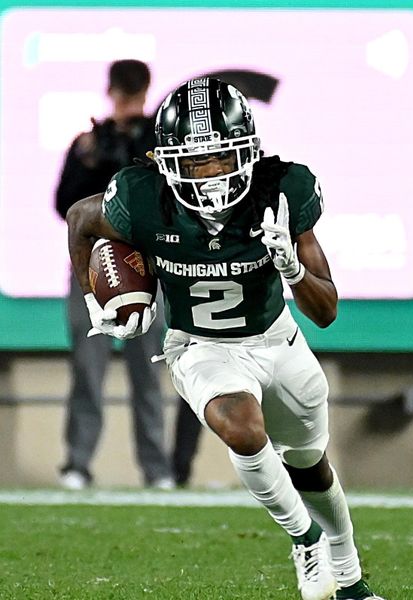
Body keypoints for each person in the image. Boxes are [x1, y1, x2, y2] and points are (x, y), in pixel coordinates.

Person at [65, 77, 383, 600]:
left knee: (309, 463)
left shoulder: (281, 191)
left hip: (277, 340)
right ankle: (305, 540)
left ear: (248, 152)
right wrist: (96, 297)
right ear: (168, 164)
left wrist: (294, 272)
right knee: (241, 427)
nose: (209, 175)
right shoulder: (143, 198)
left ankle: (349, 575)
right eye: (194, 163)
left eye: (219, 158)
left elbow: (325, 313)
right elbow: (80, 218)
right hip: (200, 345)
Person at [55, 59, 174, 491]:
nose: (128, 105)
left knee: (149, 369)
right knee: (87, 370)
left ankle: (156, 467)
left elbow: (166, 197)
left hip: (147, 266)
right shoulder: (89, 140)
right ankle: (77, 463)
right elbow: (64, 206)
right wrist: (91, 161)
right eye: (124, 96)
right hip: (93, 267)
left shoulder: (158, 141)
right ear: (111, 94)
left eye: (135, 96)